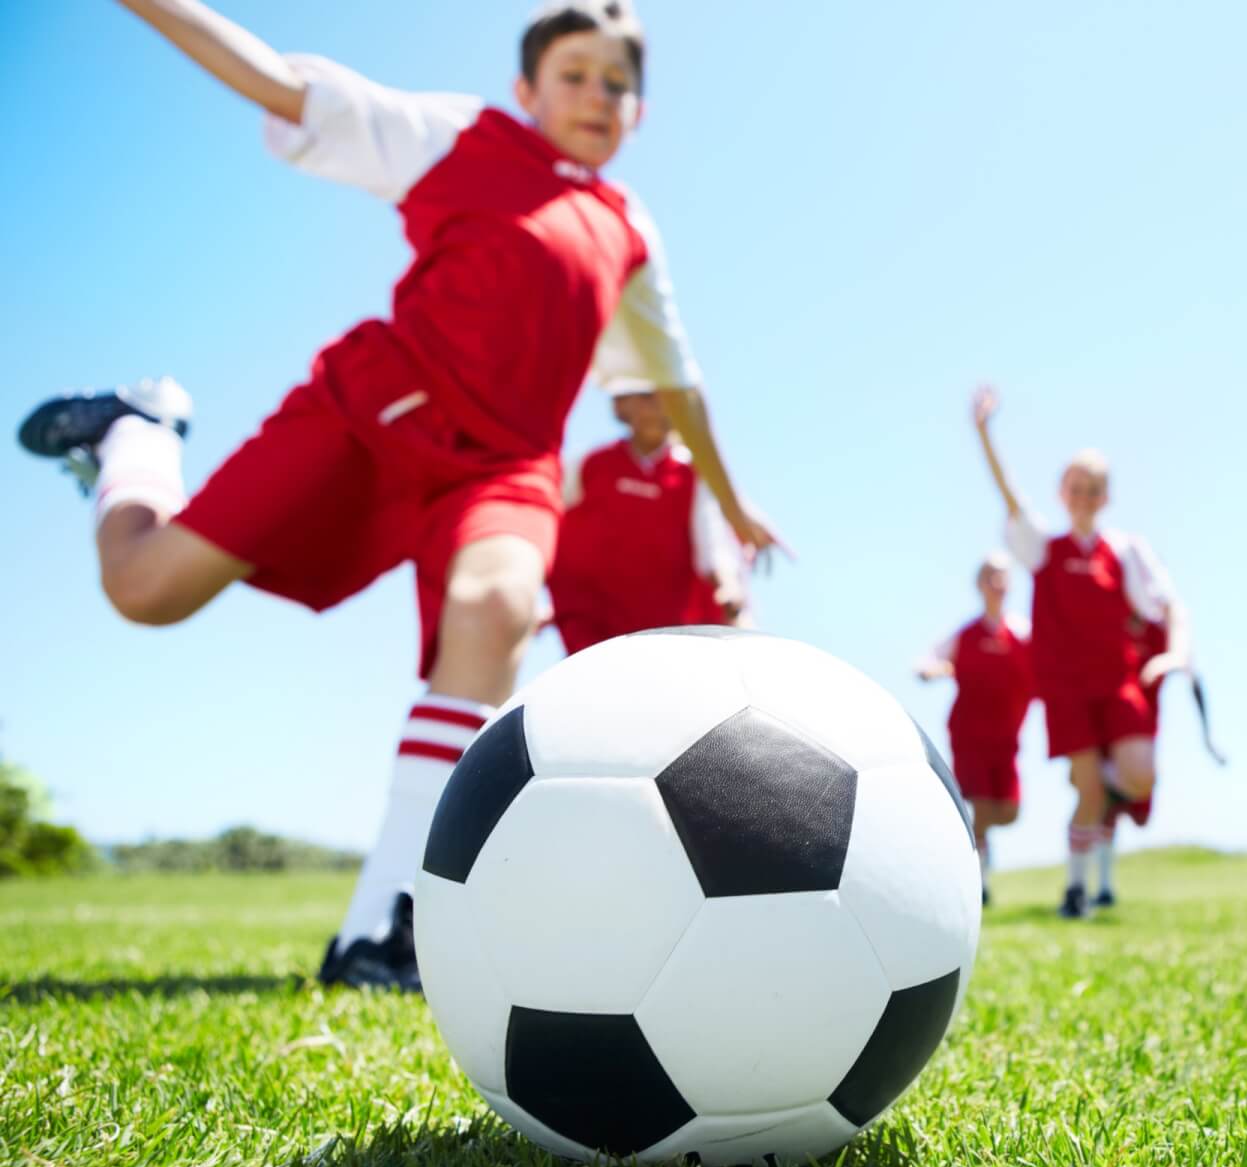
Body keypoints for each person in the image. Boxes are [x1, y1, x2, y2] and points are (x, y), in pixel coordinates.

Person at [14, 0, 776, 988]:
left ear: (640, 107)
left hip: (507, 468)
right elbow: (276, 83)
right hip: (371, 418)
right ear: (527, 89)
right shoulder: (458, 137)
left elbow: (677, 381)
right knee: (145, 588)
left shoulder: (629, 230)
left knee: (499, 606)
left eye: (619, 82)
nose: (599, 95)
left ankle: (385, 926)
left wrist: (732, 496)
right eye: (577, 73)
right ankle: (136, 431)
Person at [968, 385, 1190, 919]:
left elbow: (1170, 606)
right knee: (1087, 789)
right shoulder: (1044, 548)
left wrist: (1174, 654)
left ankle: (1108, 782)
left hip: (1118, 683)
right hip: (1067, 690)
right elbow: (1011, 498)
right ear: (1063, 492)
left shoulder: (1125, 552)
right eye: (1077, 487)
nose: (1085, 496)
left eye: (1095, 489)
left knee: (1140, 777)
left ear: (1106, 496)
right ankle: (1075, 891)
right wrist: (984, 434)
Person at [549, 381, 755, 653]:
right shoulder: (590, 464)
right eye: (647, 397)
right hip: (596, 625)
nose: (659, 407)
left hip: (670, 633)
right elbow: (546, 518)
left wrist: (729, 587)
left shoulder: (691, 475)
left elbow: (712, 542)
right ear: (621, 405)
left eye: (670, 400)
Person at [916, 553, 1034, 904]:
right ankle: (978, 883)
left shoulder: (1023, 635)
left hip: (1008, 737)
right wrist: (934, 670)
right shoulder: (965, 635)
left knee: (1010, 811)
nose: (997, 584)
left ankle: (973, 844)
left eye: (1002, 577)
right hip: (971, 733)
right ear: (980, 585)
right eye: (990, 577)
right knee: (980, 801)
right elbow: (929, 660)